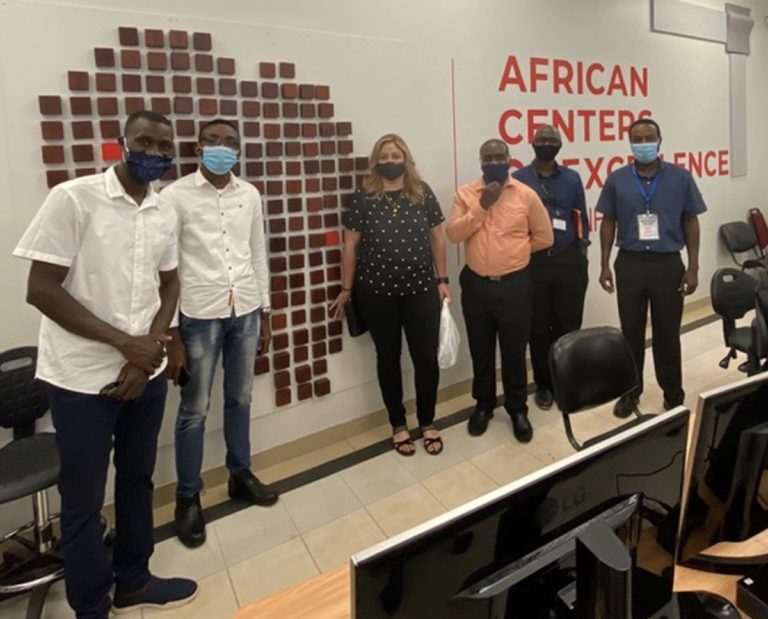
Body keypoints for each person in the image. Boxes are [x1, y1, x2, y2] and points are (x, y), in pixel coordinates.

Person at [13, 110, 197, 618]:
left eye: (165, 146)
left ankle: (134, 580)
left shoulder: (164, 211)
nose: (155, 153)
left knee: (138, 479)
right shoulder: (73, 199)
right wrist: (126, 345)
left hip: (146, 374)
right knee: (83, 502)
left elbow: (170, 283)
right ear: (121, 143)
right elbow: (41, 290)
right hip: (80, 380)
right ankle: (91, 606)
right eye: (144, 141)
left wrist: (151, 347)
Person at [163, 118, 277, 549]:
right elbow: (166, 265)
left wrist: (265, 311)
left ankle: (239, 474)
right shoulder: (174, 196)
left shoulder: (249, 194)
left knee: (241, 398)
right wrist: (171, 332)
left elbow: (257, 252)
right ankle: (188, 497)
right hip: (198, 313)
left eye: (230, 142)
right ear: (197, 148)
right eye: (213, 141)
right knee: (194, 409)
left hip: (245, 307)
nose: (222, 148)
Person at [329, 134, 451, 456]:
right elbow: (351, 246)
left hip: (421, 289)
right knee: (388, 358)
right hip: (376, 292)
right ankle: (398, 424)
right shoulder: (363, 197)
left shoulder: (422, 193)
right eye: (384, 156)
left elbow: (437, 239)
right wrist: (346, 289)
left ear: (405, 159)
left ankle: (427, 421)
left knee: (425, 357)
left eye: (396, 156)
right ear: (375, 161)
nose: (390, 162)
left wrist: (442, 279)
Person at [596, 117, 706, 417]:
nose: (643, 143)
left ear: (659, 141)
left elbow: (691, 221)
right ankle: (631, 393)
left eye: (648, 138)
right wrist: (604, 264)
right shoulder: (617, 179)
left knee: (667, 334)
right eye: (637, 138)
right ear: (629, 142)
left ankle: (672, 394)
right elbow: (608, 222)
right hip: (629, 264)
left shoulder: (680, 178)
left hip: (668, 264)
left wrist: (693, 266)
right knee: (630, 333)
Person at [446, 139, 553, 442]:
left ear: (509, 159)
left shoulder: (526, 195)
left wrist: (515, 253)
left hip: (515, 286)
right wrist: (482, 206)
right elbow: (453, 234)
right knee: (480, 350)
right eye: (488, 157)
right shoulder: (466, 194)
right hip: (476, 284)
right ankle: (483, 405)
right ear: (480, 161)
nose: (494, 161)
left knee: (514, 351)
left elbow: (544, 238)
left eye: (499, 156)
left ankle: (517, 408)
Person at [512, 125, 589, 410]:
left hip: (570, 260)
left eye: (552, 140)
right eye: (542, 139)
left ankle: (567, 380)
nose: (547, 143)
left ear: (560, 145)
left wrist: (583, 247)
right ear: (532, 144)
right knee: (539, 327)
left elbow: (580, 214)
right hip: (535, 263)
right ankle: (544, 384)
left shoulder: (572, 177)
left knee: (569, 324)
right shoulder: (519, 179)